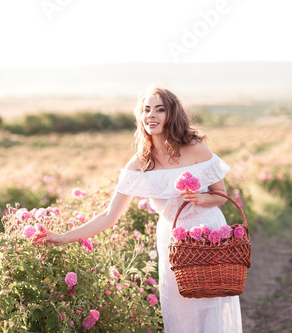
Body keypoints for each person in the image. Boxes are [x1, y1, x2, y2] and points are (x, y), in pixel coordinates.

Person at [35, 86, 243, 333]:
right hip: (173, 241)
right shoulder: (140, 163)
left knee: (212, 305)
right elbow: (109, 216)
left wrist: (199, 198)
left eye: (159, 109)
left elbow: (221, 196)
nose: (151, 115)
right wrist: (63, 237)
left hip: (209, 234)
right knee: (181, 307)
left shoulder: (196, 147)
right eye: (146, 110)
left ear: (172, 114)